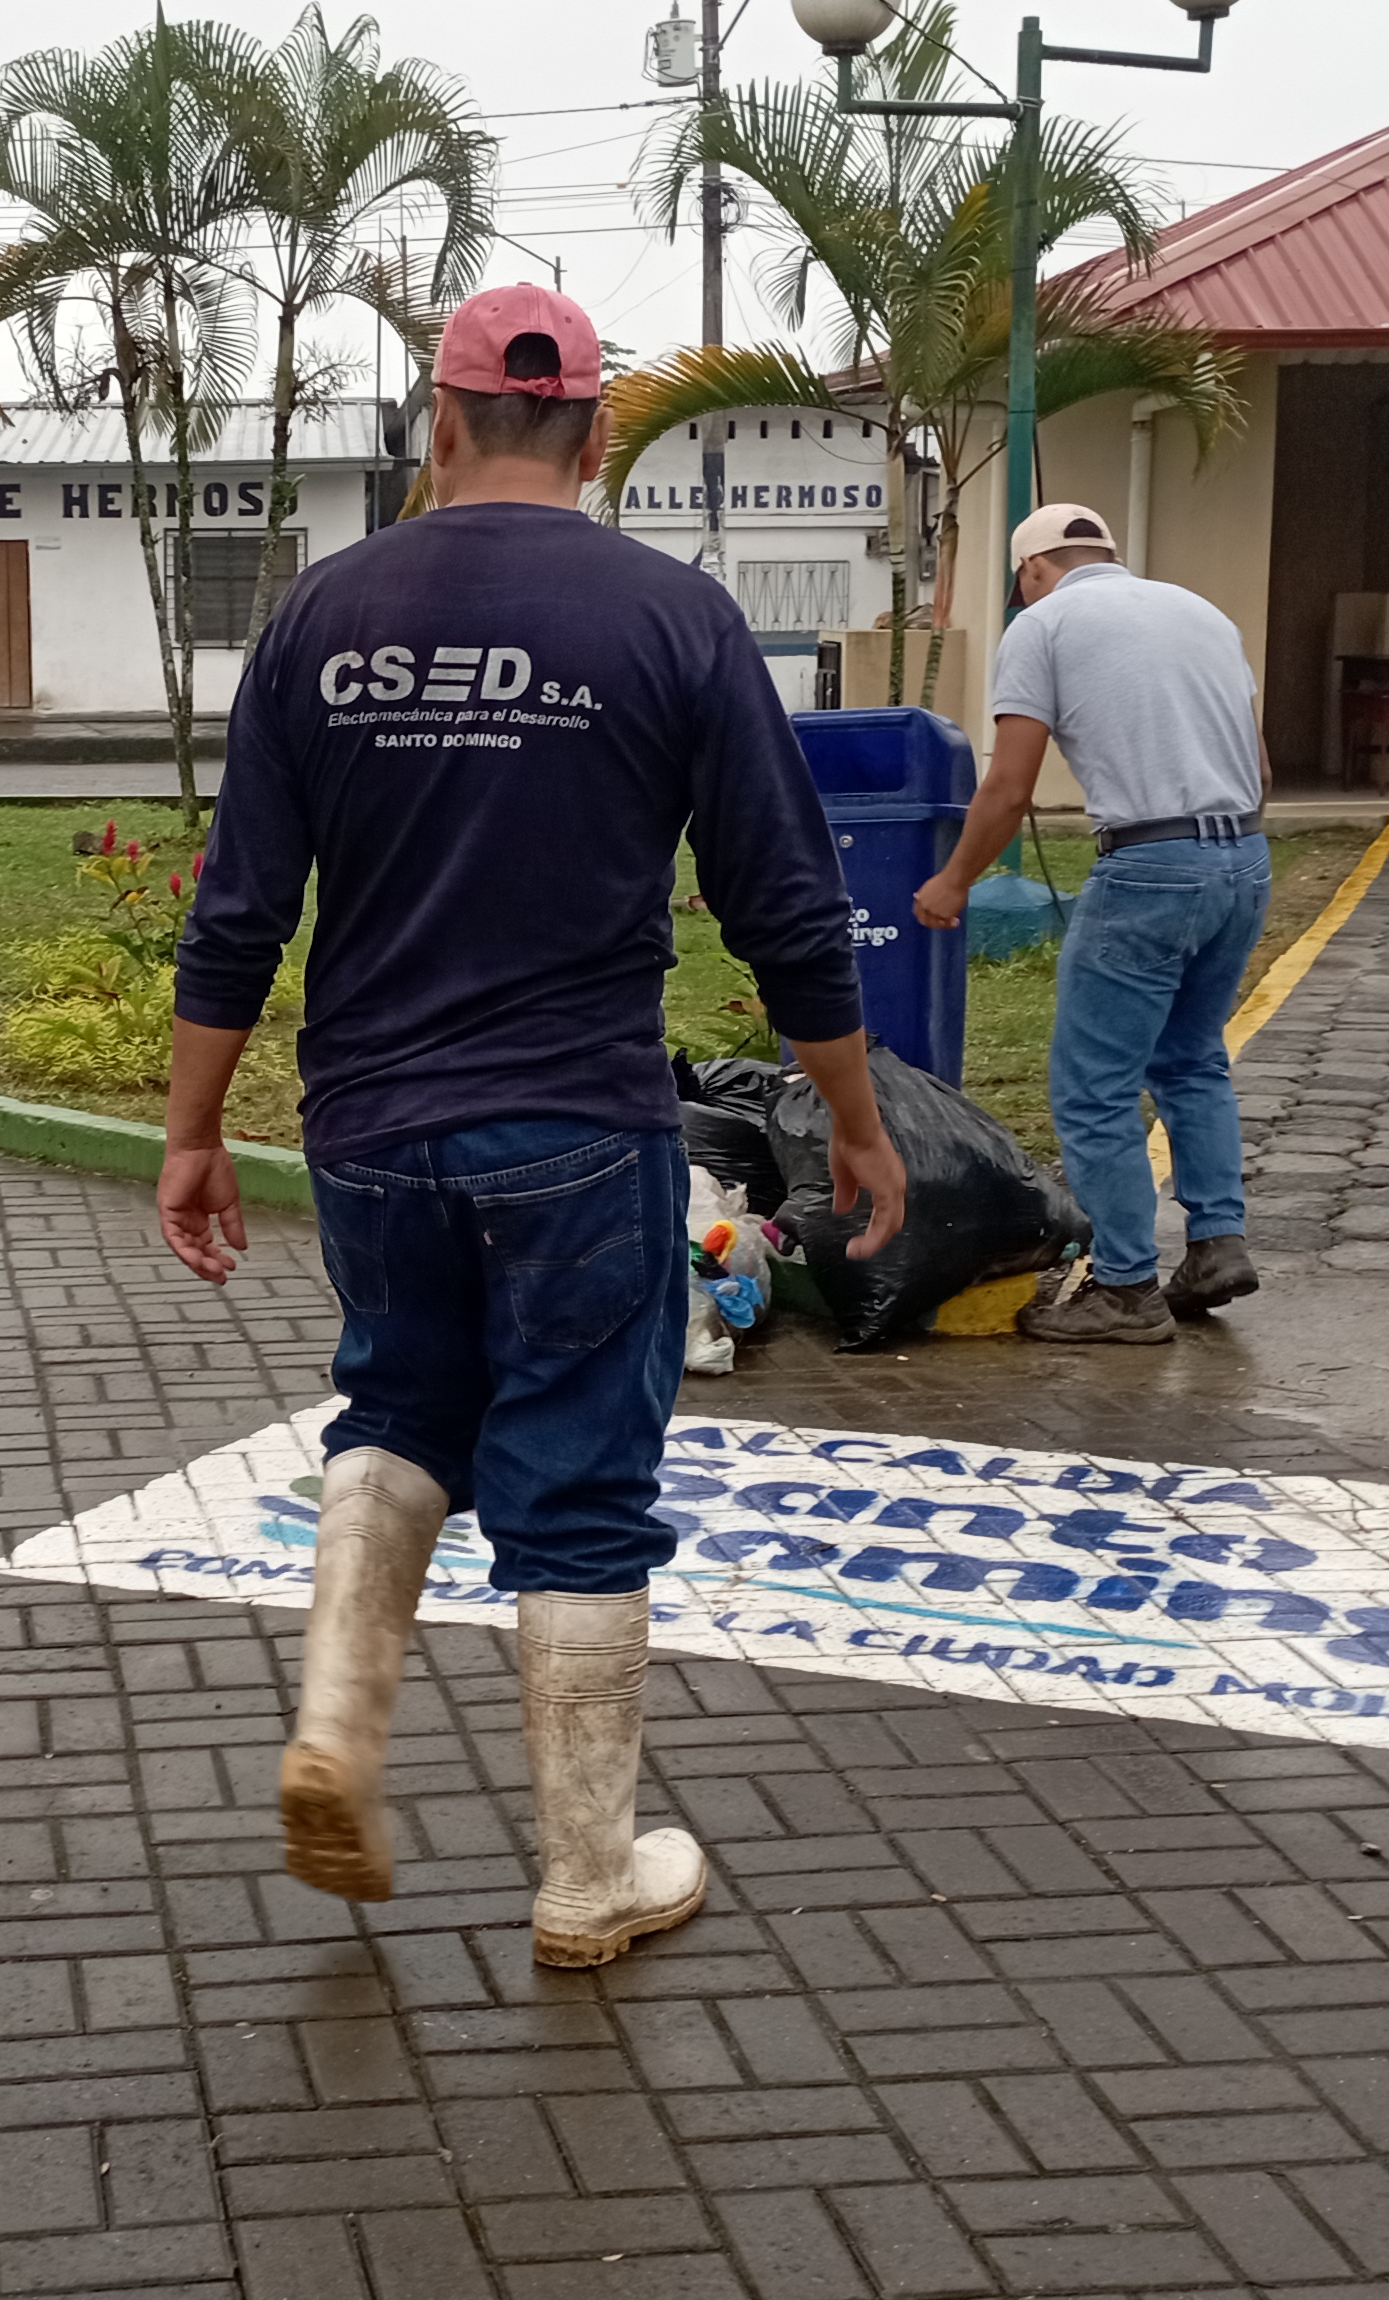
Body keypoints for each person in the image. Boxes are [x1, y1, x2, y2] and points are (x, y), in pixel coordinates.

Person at [154, 283, 909, 1969]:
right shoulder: (674, 617)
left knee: (400, 1409)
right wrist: (854, 1120)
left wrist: (193, 1130)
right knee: (579, 1483)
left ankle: (338, 1721)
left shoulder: (322, 613)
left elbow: (240, 905)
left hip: (369, 1127)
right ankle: (585, 1878)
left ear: (441, 421)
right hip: (576, 1121)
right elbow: (784, 903)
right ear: (598, 429)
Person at [914, 504, 1268, 1345]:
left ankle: (1125, 1288)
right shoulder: (1202, 612)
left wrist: (952, 882)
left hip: (1148, 868)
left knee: (1094, 1088)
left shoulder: (1043, 625)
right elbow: (1258, 763)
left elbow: (1010, 785)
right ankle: (1217, 1245)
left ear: (1033, 568)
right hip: (1245, 859)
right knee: (1191, 1060)